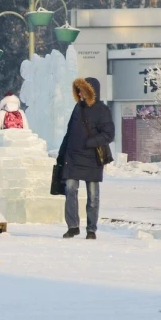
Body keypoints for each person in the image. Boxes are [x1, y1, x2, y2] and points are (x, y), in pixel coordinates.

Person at [57, 77, 114, 240]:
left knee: (93, 195)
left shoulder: (102, 110)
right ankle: (73, 226)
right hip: (73, 157)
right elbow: (69, 133)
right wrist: (62, 155)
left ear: (91, 92)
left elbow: (109, 134)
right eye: (78, 90)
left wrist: (89, 142)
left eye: (82, 90)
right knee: (70, 190)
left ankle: (91, 229)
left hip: (92, 158)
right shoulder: (77, 108)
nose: (79, 93)